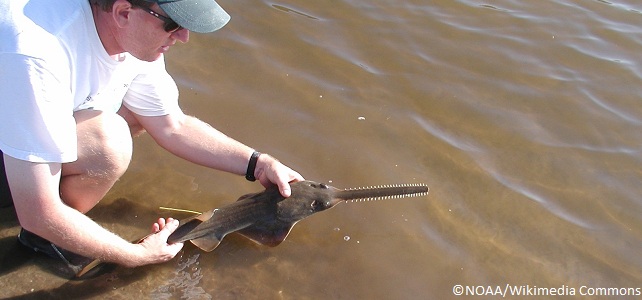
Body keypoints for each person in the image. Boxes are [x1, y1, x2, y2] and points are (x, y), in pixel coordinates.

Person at [0, 0, 304, 272]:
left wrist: (259, 164)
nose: (183, 36)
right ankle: (43, 240)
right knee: (111, 141)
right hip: (11, 138)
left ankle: (58, 210)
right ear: (123, 12)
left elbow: (172, 126)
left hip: (16, 123)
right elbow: (37, 212)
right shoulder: (36, 52)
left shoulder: (131, 40)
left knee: (137, 116)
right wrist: (136, 254)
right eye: (173, 23)